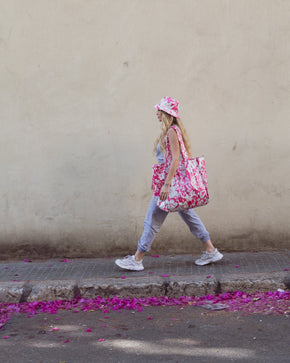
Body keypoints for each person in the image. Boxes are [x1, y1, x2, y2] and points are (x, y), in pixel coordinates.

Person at [115, 96, 223, 271]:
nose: (156, 113)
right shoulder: (172, 130)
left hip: (169, 186)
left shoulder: (172, 131)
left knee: (152, 219)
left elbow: (175, 159)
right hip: (174, 185)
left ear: (165, 113)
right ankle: (211, 250)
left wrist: (166, 185)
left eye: (158, 110)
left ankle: (137, 259)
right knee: (189, 216)